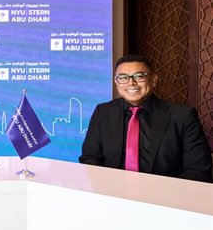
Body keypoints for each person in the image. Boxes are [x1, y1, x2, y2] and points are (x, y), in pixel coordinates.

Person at [80, 54, 212, 182]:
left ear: (154, 79)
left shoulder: (182, 116)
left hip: (165, 198)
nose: (131, 83)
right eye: (123, 77)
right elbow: (90, 158)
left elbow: (198, 170)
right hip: (112, 196)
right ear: (116, 82)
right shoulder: (103, 113)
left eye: (139, 76)